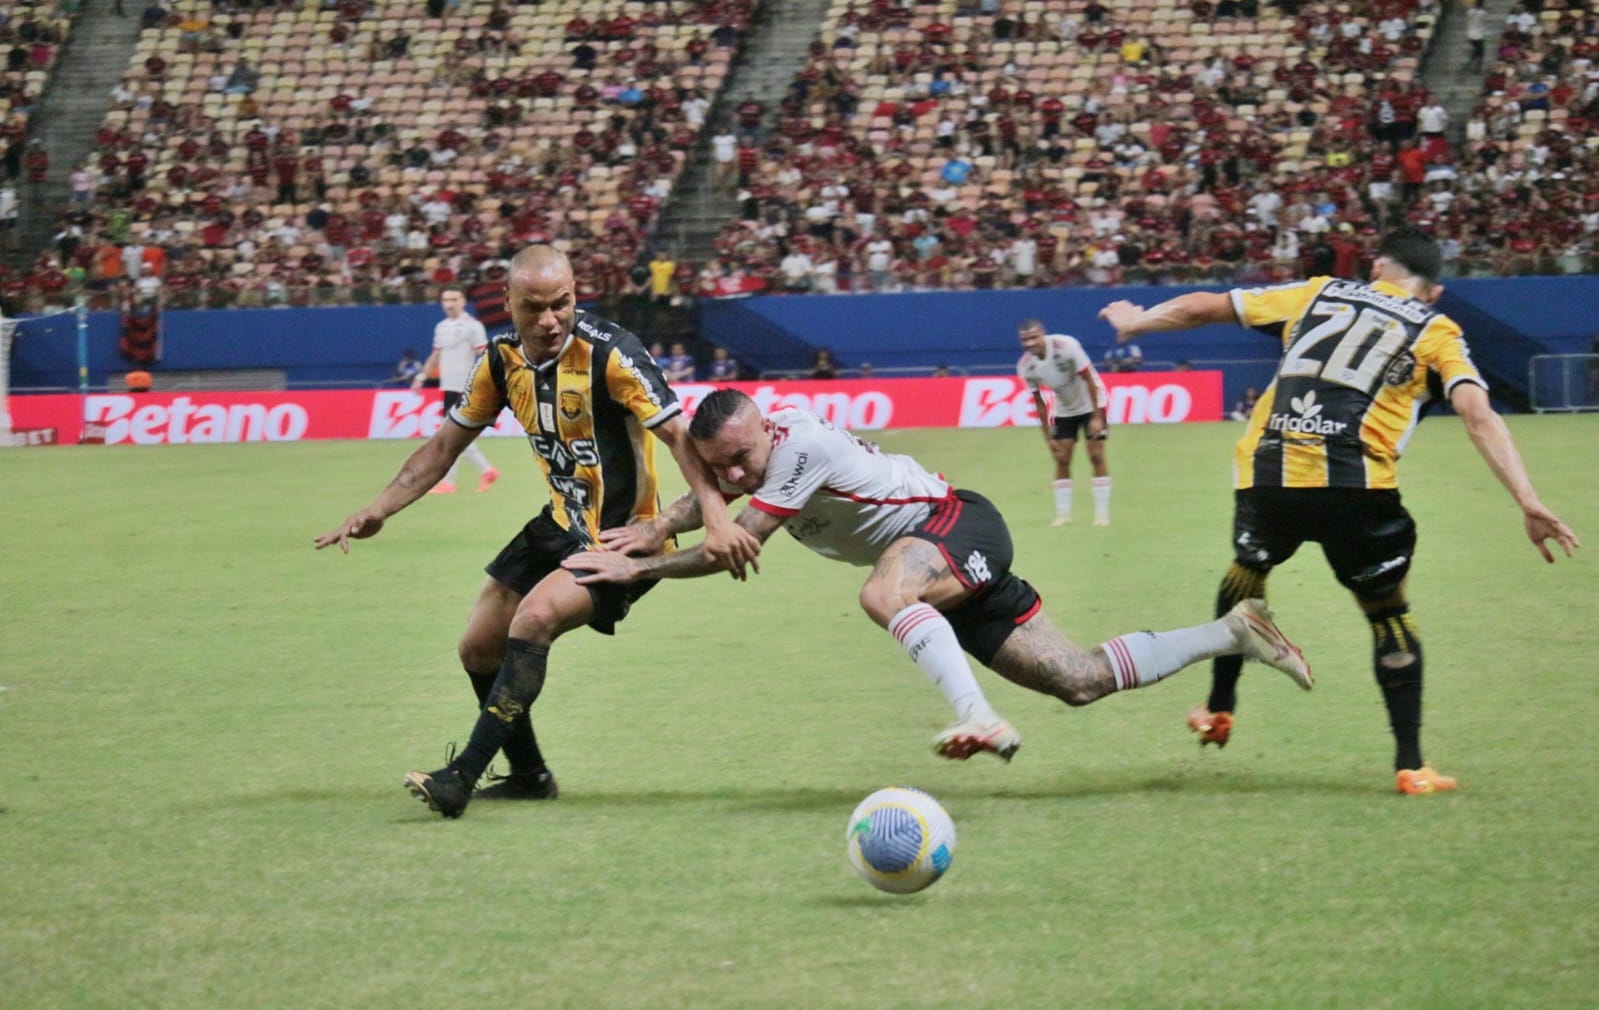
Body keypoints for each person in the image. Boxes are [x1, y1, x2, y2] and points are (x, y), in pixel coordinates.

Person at [563, 389, 1312, 764]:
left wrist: (635, 572)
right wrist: (659, 524)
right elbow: (712, 502)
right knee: (1078, 680)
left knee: (881, 595)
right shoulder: (756, 451)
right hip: (932, 563)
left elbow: (735, 543)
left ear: (764, 428)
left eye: (740, 458)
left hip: (955, 525)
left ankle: (979, 717)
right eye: (721, 464)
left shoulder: (799, 449)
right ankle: (1234, 631)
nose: (730, 474)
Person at [1099, 227, 1579, 795]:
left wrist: (1138, 322)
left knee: (1246, 577)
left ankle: (1219, 706)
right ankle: (1412, 764)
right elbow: (1477, 413)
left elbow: (1208, 306)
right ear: (1435, 291)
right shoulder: (1436, 329)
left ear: (1377, 266)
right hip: (1358, 490)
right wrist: (1527, 499)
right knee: (1387, 615)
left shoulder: (1319, 293)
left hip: (1268, 473)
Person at [314, 246, 761, 818]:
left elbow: (679, 437)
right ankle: (529, 775)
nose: (550, 320)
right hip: (559, 521)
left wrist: (714, 520)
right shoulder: (499, 361)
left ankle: (461, 777)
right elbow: (444, 447)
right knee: (478, 645)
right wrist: (381, 508)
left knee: (535, 618)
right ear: (507, 304)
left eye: (562, 304)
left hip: (622, 538)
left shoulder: (612, 353)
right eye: (534, 308)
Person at [1017, 320, 1111, 526]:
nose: (1030, 343)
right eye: (1025, 340)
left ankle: (1102, 514)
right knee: (1062, 458)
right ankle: (1063, 515)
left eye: (1034, 337)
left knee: (1096, 454)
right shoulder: (1026, 366)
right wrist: (1048, 437)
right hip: (1065, 408)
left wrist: (1096, 416)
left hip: (1093, 402)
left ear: (1043, 334)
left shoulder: (1066, 346)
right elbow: (1039, 402)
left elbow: (1089, 379)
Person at [412, 288, 500, 493]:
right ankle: (484, 471)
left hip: (465, 387)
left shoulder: (473, 326)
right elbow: (436, 355)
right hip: (448, 387)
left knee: (450, 434)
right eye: (445, 299)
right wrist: (421, 376)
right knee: (453, 435)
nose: (449, 303)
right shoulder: (441, 327)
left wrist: (485, 383)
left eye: (454, 299)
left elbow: (484, 355)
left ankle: (450, 482)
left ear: (462, 301)